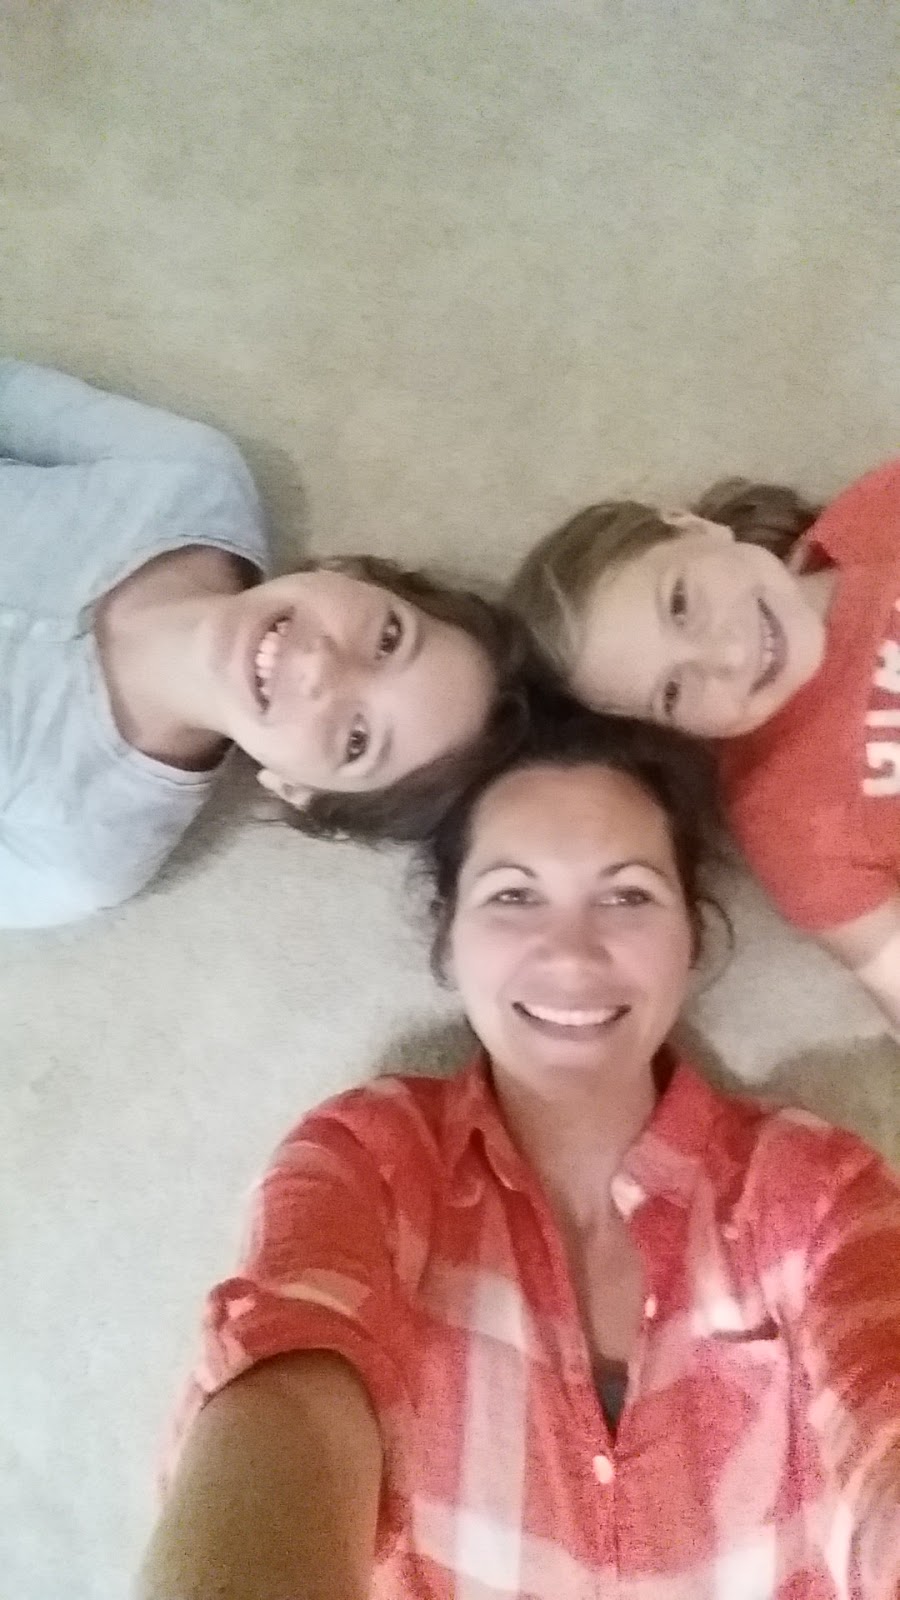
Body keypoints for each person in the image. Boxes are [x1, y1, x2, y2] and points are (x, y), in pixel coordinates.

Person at [137, 697, 900, 1600]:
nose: (571, 954)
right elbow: (290, 1388)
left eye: (627, 895)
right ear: (450, 941)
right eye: (513, 895)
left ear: (690, 938)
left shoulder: (810, 1186)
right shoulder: (367, 1157)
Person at [0, 358, 533, 928]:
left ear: (297, 790)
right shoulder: (191, 477)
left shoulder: (83, 853)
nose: (322, 667)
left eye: (357, 740)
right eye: (388, 638)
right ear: (355, 575)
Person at [509, 463, 900, 1033]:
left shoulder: (873, 516)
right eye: (672, 691)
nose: (729, 657)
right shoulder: (786, 821)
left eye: (681, 604)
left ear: (692, 527)